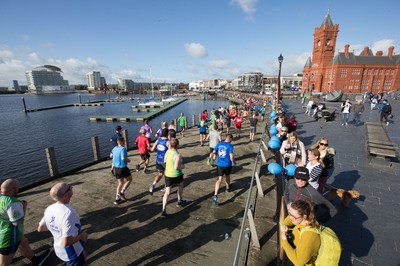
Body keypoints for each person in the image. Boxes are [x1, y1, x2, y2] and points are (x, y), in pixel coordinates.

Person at [0, 179, 50, 266]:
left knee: (23, 242)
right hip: (9, 237)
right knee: (4, 263)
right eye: (18, 187)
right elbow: (16, 222)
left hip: (4, 230)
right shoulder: (13, 202)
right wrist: (24, 207)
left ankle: (36, 260)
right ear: (14, 188)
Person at [38, 183, 88, 265]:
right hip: (71, 252)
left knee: (84, 255)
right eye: (70, 188)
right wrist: (82, 236)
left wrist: (57, 229)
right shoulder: (69, 213)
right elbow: (66, 242)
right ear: (66, 195)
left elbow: (40, 228)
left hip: (58, 248)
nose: (71, 188)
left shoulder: (50, 208)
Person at [281, 200, 321, 265]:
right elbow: (290, 218)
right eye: (289, 213)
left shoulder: (310, 236)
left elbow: (298, 262)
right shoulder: (303, 220)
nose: (290, 217)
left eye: (293, 216)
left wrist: (284, 242)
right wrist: (286, 225)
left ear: (304, 216)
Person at [161, 138, 186, 218]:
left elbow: (164, 161)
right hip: (177, 174)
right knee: (180, 185)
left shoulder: (167, 152)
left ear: (170, 145)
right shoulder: (177, 155)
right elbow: (176, 167)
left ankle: (163, 210)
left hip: (168, 174)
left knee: (167, 192)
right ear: (177, 145)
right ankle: (179, 200)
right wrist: (182, 166)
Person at [211, 134, 236, 206]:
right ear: (230, 139)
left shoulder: (219, 144)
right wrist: (233, 162)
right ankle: (227, 188)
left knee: (219, 179)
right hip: (227, 164)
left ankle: (215, 195)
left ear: (225, 138)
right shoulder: (230, 146)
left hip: (220, 165)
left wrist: (213, 159)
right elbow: (231, 156)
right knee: (227, 176)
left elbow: (214, 152)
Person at [110, 137, 133, 205]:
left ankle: (117, 199)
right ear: (123, 142)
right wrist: (129, 160)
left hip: (116, 169)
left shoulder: (114, 148)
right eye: (124, 141)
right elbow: (123, 158)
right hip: (123, 168)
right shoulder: (123, 149)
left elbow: (111, 156)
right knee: (129, 179)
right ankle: (122, 192)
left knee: (120, 183)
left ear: (117, 142)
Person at [149, 128, 169, 195]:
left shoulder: (158, 140)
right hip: (165, 161)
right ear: (167, 134)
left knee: (160, 173)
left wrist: (158, 150)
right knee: (167, 174)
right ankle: (166, 187)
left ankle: (153, 185)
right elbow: (170, 152)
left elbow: (152, 149)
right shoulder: (168, 142)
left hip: (158, 160)